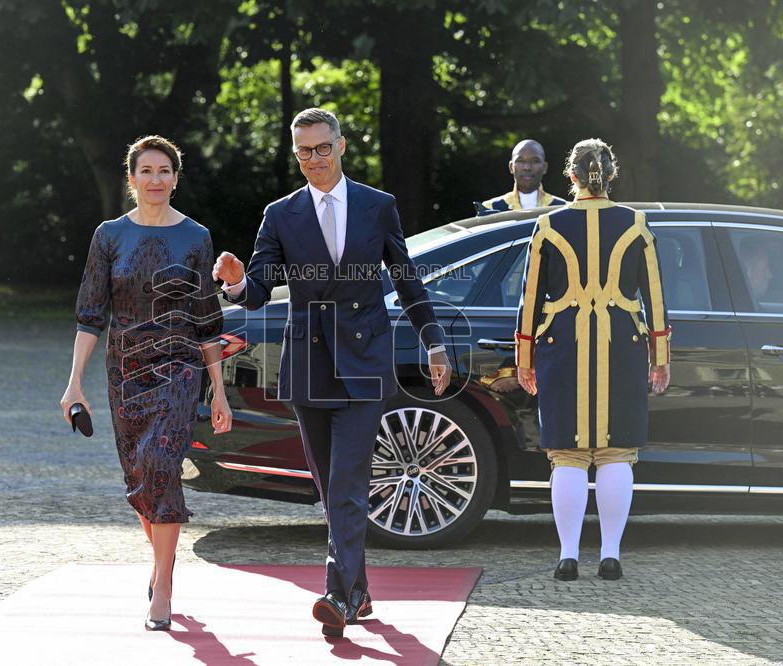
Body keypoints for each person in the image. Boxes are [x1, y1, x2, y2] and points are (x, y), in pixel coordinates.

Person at [212, 108, 451, 637]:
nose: (313, 160)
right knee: (330, 488)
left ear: (341, 146)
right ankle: (359, 591)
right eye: (303, 152)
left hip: (365, 363)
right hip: (309, 365)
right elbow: (256, 290)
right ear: (295, 154)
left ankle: (337, 597)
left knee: (346, 485)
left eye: (322, 148)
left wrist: (435, 342)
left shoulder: (377, 206)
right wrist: (232, 283)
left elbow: (408, 283)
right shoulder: (280, 214)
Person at [60, 135, 232, 631]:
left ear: (176, 178)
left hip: (179, 367)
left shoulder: (196, 237)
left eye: (165, 171)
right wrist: (74, 383)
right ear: (131, 178)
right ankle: (163, 566)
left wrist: (218, 390)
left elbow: (207, 320)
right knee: (140, 477)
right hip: (125, 371)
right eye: (147, 171)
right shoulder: (109, 235)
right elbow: (90, 315)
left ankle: (165, 585)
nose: (156, 179)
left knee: (161, 462)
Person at [514, 138, 671, 582]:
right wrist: (659, 354)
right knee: (616, 451)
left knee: (567, 453)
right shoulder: (637, 224)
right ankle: (611, 555)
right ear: (610, 174)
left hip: (562, 344)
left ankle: (567, 556)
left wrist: (524, 355)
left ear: (572, 177)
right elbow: (655, 296)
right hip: (621, 343)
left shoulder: (548, 225)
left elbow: (529, 298)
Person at [476, 139, 566, 216]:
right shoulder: (490, 208)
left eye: (535, 161)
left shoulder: (562, 208)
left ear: (544, 167)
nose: (527, 167)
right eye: (520, 161)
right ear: (511, 167)